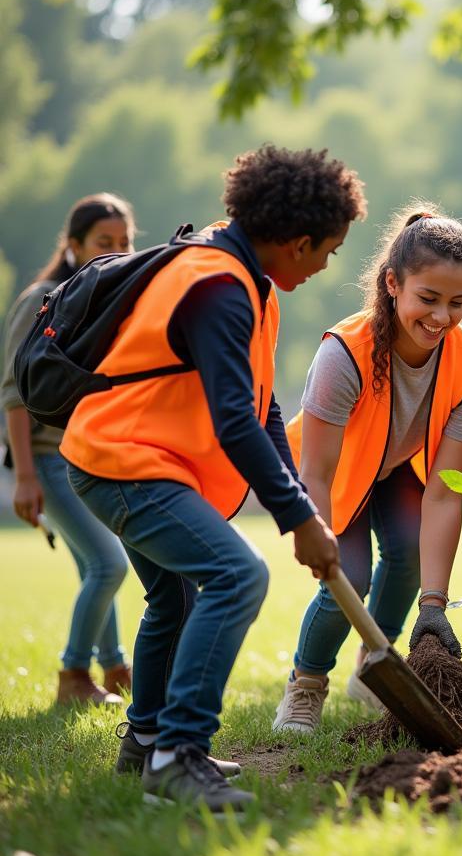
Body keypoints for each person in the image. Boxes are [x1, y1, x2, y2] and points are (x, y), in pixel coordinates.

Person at [61, 145, 366, 810]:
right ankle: (178, 755)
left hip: (131, 459)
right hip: (125, 463)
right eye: (328, 252)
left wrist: (304, 503)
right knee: (236, 575)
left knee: (176, 599)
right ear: (298, 242)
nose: (323, 267)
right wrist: (296, 520)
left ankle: (145, 743)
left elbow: (263, 406)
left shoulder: (243, 277)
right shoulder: (219, 288)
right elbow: (234, 423)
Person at [273, 203, 462, 734]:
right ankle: (305, 686)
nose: (442, 318)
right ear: (393, 284)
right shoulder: (343, 354)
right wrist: (315, 539)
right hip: (337, 470)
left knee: (410, 557)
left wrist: (435, 606)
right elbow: (318, 471)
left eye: (457, 303)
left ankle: (378, 667)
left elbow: (444, 493)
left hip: (398, 467)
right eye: (428, 299)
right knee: (345, 578)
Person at [2, 194, 136, 706]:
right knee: (110, 565)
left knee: (92, 567)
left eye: (124, 243)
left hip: (88, 457)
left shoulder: (104, 299)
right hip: (48, 461)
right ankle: (73, 677)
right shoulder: (42, 298)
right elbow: (14, 391)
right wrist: (27, 476)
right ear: (74, 245)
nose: (117, 251)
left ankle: (116, 670)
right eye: (104, 242)